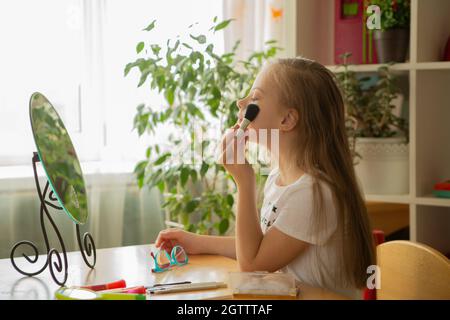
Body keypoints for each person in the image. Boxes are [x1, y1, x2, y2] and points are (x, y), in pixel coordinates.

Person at [154, 57, 375, 299]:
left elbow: (253, 266)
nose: (241, 102)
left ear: (287, 120)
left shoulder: (312, 192)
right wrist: (198, 242)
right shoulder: (279, 177)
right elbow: (260, 248)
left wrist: (244, 181)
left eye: (255, 98)